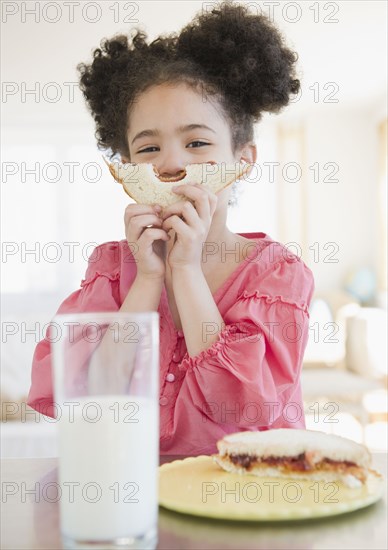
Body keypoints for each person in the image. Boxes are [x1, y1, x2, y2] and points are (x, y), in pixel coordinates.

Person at [27, 0, 314, 455]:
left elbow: (241, 408)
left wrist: (186, 270)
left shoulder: (278, 275)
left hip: (245, 494)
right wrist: (148, 277)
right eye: (148, 148)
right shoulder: (111, 267)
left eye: (197, 142)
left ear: (242, 160)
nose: (172, 163)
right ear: (125, 170)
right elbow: (92, 396)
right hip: (133, 489)